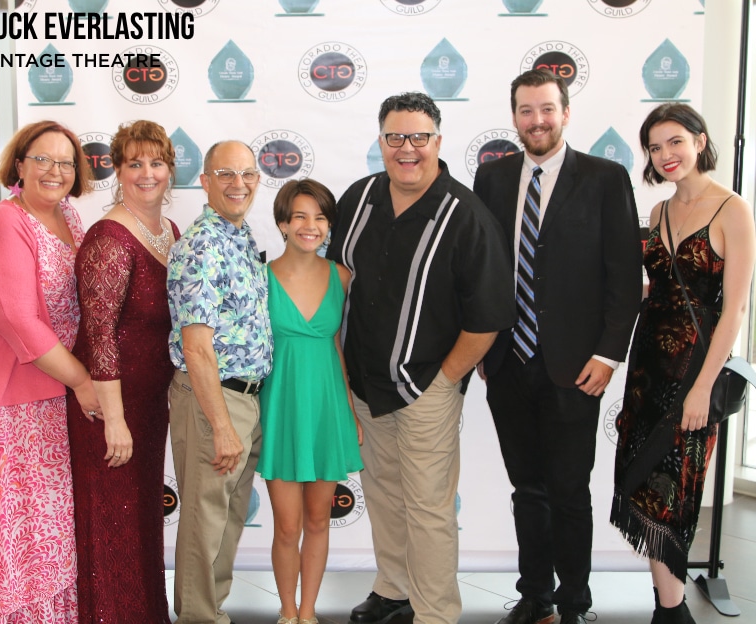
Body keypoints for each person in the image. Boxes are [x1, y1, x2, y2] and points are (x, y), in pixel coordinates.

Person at [327, 92, 516, 624]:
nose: (406, 149)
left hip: (426, 388)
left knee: (429, 508)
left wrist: (446, 379)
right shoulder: (358, 198)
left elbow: (489, 318)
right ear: (381, 140)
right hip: (365, 383)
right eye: (394, 137)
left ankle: (436, 613)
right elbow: (338, 283)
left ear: (438, 140)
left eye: (418, 137)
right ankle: (393, 589)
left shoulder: (467, 216)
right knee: (383, 492)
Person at [472, 69, 642, 624]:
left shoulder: (605, 177)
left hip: (577, 367)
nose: (537, 120)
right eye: (526, 110)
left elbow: (624, 275)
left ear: (565, 112)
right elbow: (482, 271)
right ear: (514, 116)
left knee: (568, 492)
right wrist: (482, 350)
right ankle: (534, 596)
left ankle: (574, 603)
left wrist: (608, 354)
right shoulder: (491, 180)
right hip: (507, 363)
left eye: (547, 108)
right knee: (528, 489)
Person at [611, 104, 755, 624]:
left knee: (675, 490)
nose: (665, 155)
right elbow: (665, 291)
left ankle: (672, 614)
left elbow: (734, 308)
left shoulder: (732, 210)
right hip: (648, 367)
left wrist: (702, 388)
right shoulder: (659, 213)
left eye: (674, 142)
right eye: (654, 147)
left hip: (694, 374)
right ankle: (667, 607)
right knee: (646, 490)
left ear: (700, 140)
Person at [0, 120, 99, 621]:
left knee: (45, 528)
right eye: (42, 159)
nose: (54, 171)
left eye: (65, 162)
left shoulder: (73, 220)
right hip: (5, 388)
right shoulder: (3, 219)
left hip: (52, 386)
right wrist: (84, 381)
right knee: (12, 524)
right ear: (19, 165)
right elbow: (16, 316)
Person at [65, 120, 180, 623]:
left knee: (139, 523)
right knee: (111, 526)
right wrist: (114, 420)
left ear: (171, 170)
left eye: (156, 162)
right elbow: (100, 336)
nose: (147, 173)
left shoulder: (169, 232)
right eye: (135, 163)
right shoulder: (109, 237)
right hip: (109, 410)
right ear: (117, 169)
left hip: (150, 404)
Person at [167, 140, 272, 624]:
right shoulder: (203, 244)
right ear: (204, 181)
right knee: (206, 521)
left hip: (245, 395)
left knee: (227, 518)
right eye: (225, 174)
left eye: (247, 174)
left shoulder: (240, 236)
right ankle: (196, 618)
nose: (238, 184)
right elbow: (197, 346)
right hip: (214, 398)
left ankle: (213, 612)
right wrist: (223, 424)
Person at [257, 179, 364, 624]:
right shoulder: (259, 277)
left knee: (319, 521)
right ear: (283, 222)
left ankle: (308, 613)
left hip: (326, 407)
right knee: (287, 525)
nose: (310, 225)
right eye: (300, 216)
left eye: (320, 217)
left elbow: (337, 346)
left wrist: (351, 411)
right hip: (280, 407)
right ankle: (285, 613)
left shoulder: (342, 275)